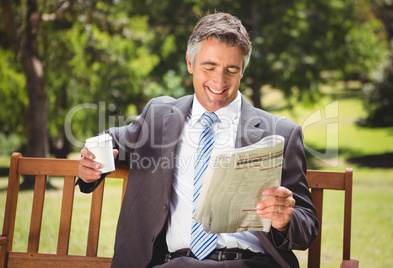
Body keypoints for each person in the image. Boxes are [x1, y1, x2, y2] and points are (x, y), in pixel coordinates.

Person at [77, 12, 319, 268]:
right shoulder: (159, 117)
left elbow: (307, 225)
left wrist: (284, 220)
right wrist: (92, 167)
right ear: (190, 63)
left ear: (242, 71)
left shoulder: (280, 133)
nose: (219, 81)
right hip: (174, 263)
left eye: (232, 70)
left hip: (249, 263)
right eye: (209, 66)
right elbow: (110, 140)